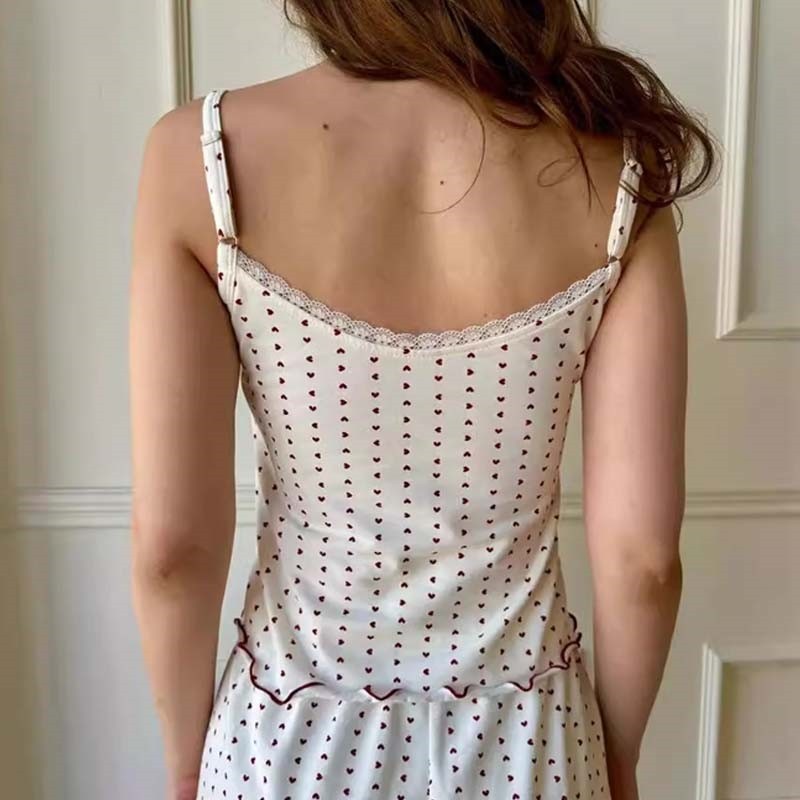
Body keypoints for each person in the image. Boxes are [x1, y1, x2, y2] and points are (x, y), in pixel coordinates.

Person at [129, 2, 717, 798]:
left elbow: (173, 550)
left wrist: (185, 762)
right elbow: (643, 560)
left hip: (284, 742)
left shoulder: (203, 156)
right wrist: (616, 759)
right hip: (530, 746)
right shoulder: (615, 169)